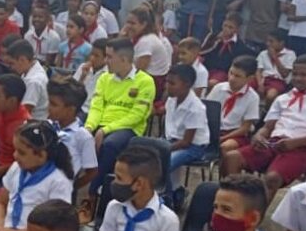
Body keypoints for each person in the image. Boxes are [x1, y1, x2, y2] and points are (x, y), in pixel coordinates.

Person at [223, 55, 306, 202]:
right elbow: (267, 127)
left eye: (304, 75)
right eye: (295, 74)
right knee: (231, 158)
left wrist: (294, 143)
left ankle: (253, 217)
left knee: (271, 178)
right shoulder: (283, 98)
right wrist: (259, 136)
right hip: (273, 143)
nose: (298, 78)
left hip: (302, 149)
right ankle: (234, 202)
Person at [85, 37, 155, 202]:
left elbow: (137, 116)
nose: (106, 61)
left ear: (123, 59)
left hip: (128, 128)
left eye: (109, 57)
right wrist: (89, 127)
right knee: (76, 137)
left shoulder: (145, 81)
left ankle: (92, 193)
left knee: (110, 145)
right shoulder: (104, 78)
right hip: (101, 124)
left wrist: (105, 130)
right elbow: (96, 107)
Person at [164, 64, 209, 204]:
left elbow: (186, 142)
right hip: (173, 141)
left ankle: (169, 200)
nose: (167, 86)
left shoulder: (196, 108)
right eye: (167, 82)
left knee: (164, 164)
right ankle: (177, 192)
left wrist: (163, 148)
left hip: (193, 147)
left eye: (172, 83)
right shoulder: (171, 100)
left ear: (187, 84)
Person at [47, 80, 98, 193]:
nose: (49, 107)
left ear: (71, 109)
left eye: (54, 104)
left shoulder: (83, 137)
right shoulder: (47, 126)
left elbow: (92, 171)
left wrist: (72, 187)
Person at [207, 55, 260, 153]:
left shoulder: (253, 97)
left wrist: (223, 138)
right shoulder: (218, 88)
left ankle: (223, 168)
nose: (231, 78)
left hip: (235, 134)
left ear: (250, 79)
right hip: (213, 129)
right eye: (231, 73)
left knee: (226, 146)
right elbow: (207, 111)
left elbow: (245, 128)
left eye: (238, 76)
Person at [126, 5, 173, 95]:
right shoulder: (136, 37)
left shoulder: (147, 41)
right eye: (127, 22)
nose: (128, 26)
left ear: (143, 24)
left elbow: (139, 71)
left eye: (132, 23)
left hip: (153, 83)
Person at [200, 13, 250, 86]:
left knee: (212, 83)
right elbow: (203, 51)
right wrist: (215, 41)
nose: (226, 29)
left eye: (230, 27)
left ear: (237, 29)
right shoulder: (213, 37)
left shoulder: (239, 46)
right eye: (225, 26)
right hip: (207, 67)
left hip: (223, 72)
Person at [6, 40, 49, 121]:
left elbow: (24, 112)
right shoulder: (28, 70)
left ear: (22, 60)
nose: (11, 67)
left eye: (12, 63)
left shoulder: (34, 81)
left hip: (34, 124)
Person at [255, 30, 295, 107]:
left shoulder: (290, 54)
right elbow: (258, 71)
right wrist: (260, 84)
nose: (268, 44)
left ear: (281, 43)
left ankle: (265, 113)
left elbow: (285, 74)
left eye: (271, 41)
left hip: (278, 81)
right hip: (262, 79)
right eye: (267, 41)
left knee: (271, 96)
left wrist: (274, 57)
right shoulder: (263, 53)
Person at [75, 38, 108, 114]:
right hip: (76, 106)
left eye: (96, 56)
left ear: (106, 58)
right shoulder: (83, 67)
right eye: (91, 54)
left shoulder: (109, 74)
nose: (92, 58)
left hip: (91, 111)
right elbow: (72, 92)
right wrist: (82, 77)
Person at [24, 1, 61, 66]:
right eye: (34, 16)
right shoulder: (28, 35)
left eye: (40, 17)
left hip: (46, 67)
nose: (37, 19)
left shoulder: (54, 37)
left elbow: (49, 63)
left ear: (47, 19)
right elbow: (26, 56)